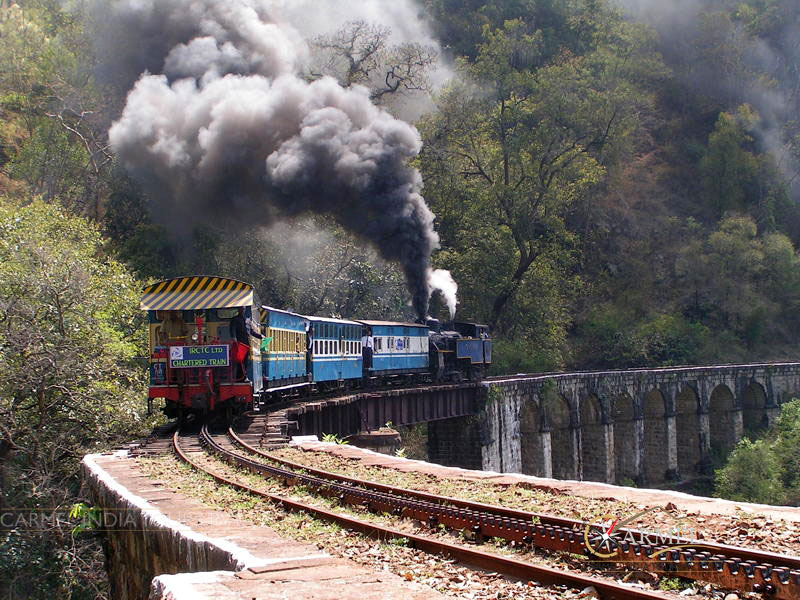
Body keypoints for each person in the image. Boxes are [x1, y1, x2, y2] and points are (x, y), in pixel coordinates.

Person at [230, 307, 262, 382]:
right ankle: (239, 378)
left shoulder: (247, 321)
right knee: (239, 361)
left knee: (246, 362)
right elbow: (232, 329)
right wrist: (234, 337)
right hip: (239, 343)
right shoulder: (235, 319)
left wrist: (260, 336)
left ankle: (244, 376)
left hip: (246, 344)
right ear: (238, 310)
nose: (242, 310)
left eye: (243, 309)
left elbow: (251, 332)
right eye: (240, 309)